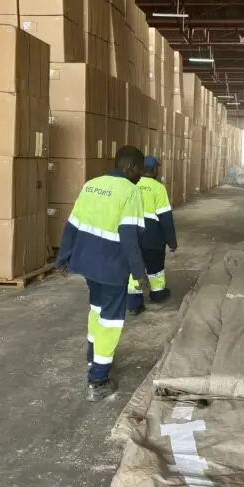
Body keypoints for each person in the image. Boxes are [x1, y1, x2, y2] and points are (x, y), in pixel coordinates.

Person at [56, 145, 148, 402]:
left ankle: (92, 354)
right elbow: (129, 237)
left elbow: (72, 224)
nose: (141, 174)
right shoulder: (130, 191)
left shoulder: (91, 184)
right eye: (140, 169)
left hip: (86, 263)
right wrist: (140, 275)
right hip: (112, 267)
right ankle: (98, 378)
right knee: (111, 319)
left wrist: (63, 256)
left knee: (96, 309)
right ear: (130, 168)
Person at [127, 156, 178, 315]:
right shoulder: (158, 188)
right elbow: (165, 217)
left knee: (134, 266)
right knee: (155, 266)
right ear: (155, 170)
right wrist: (172, 241)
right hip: (152, 235)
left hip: (133, 233)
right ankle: (157, 294)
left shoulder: (131, 185)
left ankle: (134, 303)